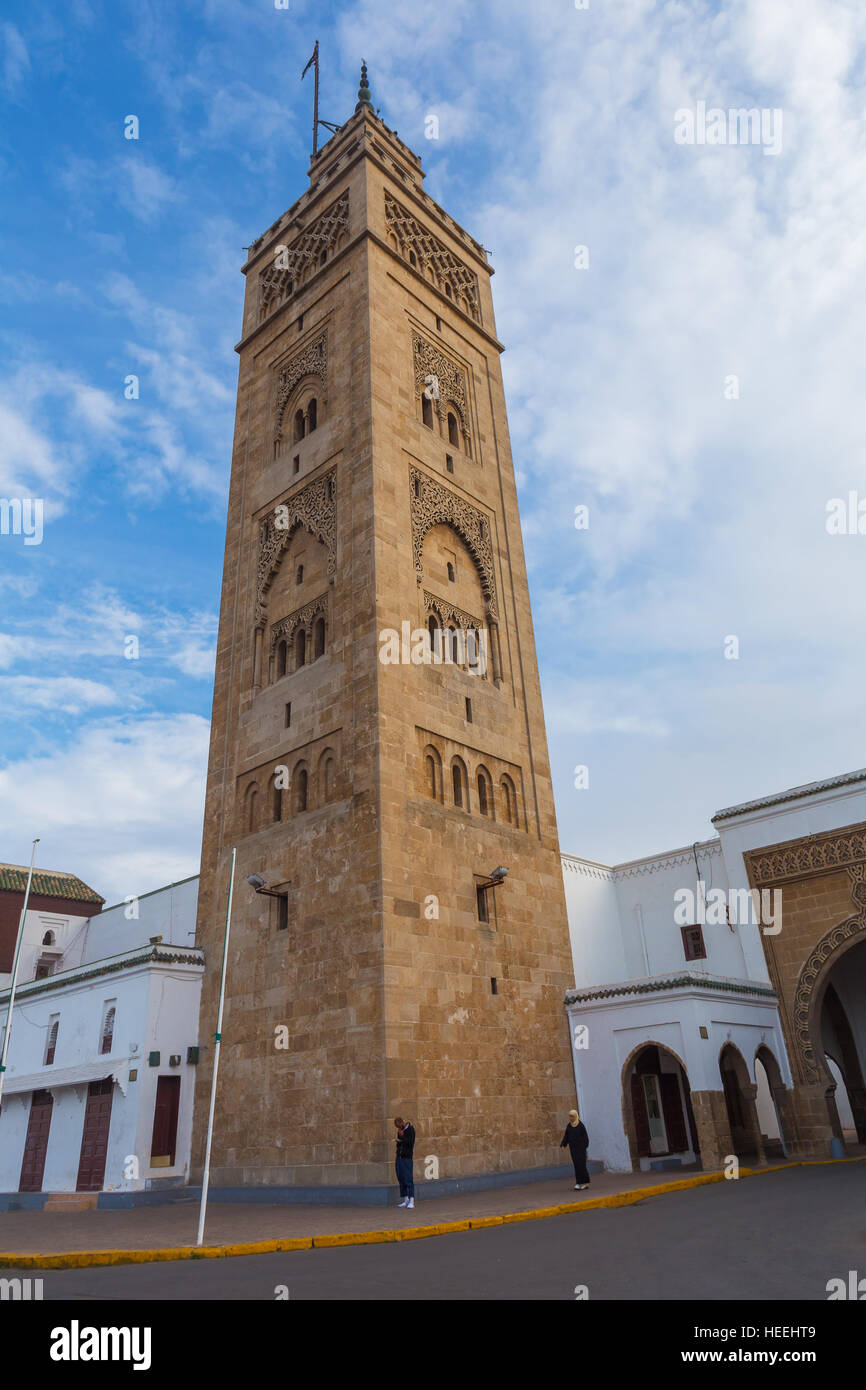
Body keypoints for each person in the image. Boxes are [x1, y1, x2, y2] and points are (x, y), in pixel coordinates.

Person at [560, 1108, 590, 1190]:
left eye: (572, 1116)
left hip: (581, 1150)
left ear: (576, 1116)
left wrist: (583, 1147)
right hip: (573, 1150)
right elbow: (566, 1137)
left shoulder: (580, 1125)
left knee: (582, 1166)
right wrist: (563, 1145)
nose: (571, 1118)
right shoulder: (569, 1126)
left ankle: (584, 1182)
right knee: (577, 1166)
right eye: (570, 1116)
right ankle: (579, 1182)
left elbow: (586, 1138)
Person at [394, 1116, 416, 1209]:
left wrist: (402, 1136)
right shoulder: (400, 1130)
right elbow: (400, 1144)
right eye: (397, 1127)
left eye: (398, 1126)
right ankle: (405, 1199)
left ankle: (412, 1200)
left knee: (408, 1178)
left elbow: (410, 1143)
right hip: (399, 1157)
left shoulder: (410, 1129)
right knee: (401, 1177)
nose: (398, 1128)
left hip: (407, 1158)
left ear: (402, 1122)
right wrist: (399, 1140)